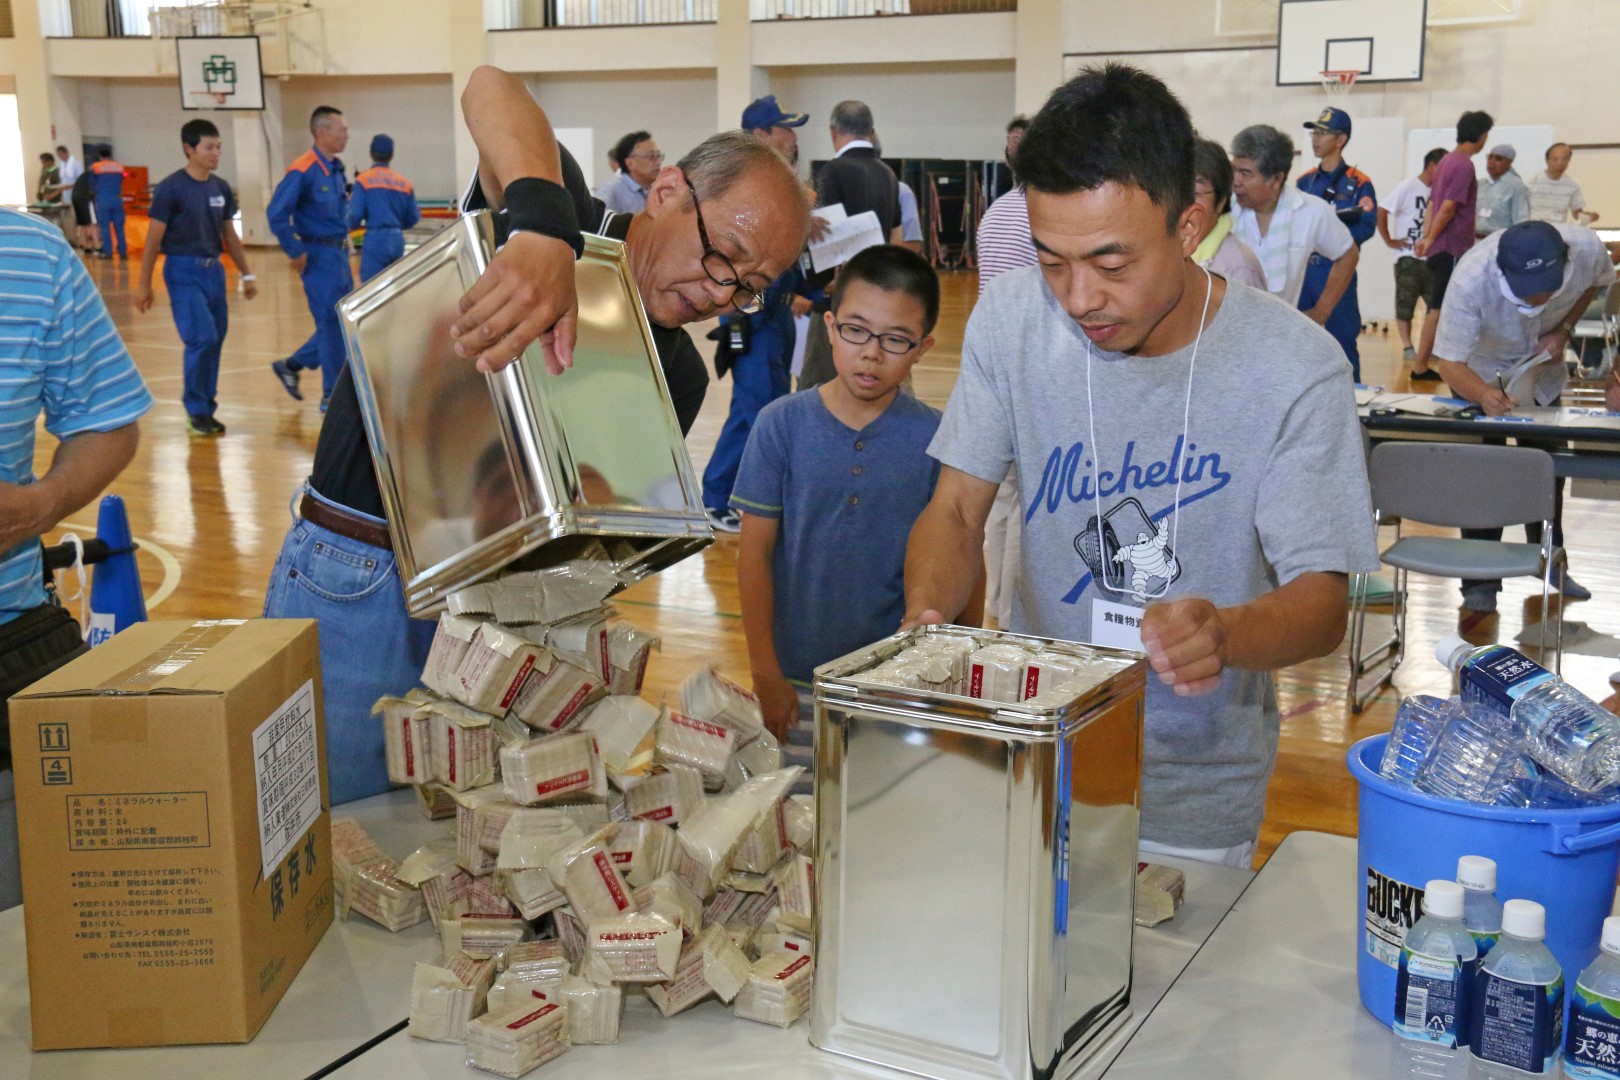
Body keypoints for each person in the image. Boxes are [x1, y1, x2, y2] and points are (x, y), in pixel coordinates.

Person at [262, 65, 810, 806]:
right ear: (670, 190)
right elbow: (489, 86)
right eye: (725, 257)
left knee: (446, 843)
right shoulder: (563, 216)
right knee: (325, 818)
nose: (722, 294)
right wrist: (544, 231)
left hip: (492, 617)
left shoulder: (677, 375)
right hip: (361, 571)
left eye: (749, 287)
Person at [903, 63, 1378, 867]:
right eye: (1053, 260)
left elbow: (1322, 603)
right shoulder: (1013, 318)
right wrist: (925, 624)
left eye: (1112, 264)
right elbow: (955, 510)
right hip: (1032, 754)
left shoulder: (1294, 365)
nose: (1080, 295)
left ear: (1190, 224)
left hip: (1191, 794)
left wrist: (1225, 631)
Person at [732, 245, 942, 773]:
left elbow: (963, 561)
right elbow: (753, 555)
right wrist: (764, 673)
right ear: (829, 326)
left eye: (896, 339)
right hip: (796, 680)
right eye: (856, 330)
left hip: (897, 688)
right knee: (796, 826)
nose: (871, 353)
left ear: (923, 347)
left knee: (884, 821)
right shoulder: (780, 424)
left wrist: (948, 677)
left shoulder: (938, 438)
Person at [0, 206, 154, 910]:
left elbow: (106, 420)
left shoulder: (31, 255)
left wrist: (46, 502)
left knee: (33, 918)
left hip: (11, 639)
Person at [1428, 220, 1612, 611]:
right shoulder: (1469, 281)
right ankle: (1480, 582)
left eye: (1544, 292)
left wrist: (1563, 329)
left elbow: (1597, 281)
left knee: (1547, 466)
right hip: (1478, 370)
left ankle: (1550, 561)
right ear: (1501, 272)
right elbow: (1448, 363)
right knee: (1483, 473)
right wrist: (1484, 395)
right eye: (1524, 295)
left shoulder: (1586, 248)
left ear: (1564, 265)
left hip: (1542, 367)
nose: (1533, 302)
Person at [701, 96, 816, 533]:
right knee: (759, 409)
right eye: (785, 128)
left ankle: (718, 494)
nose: (793, 136)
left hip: (777, 312)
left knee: (754, 408)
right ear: (761, 135)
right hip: (750, 310)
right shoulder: (742, 185)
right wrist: (736, 317)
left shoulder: (784, 186)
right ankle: (743, 499)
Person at [133, 119, 259, 437]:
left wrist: (248, 274)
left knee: (215, 340)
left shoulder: (219, 188)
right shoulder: (171, 188)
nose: (216, 153)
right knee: (201, 337)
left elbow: (230, 235)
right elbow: (152, 239)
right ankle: (195, 409)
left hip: (214, 272)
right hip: (182, 270)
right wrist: (144, 283)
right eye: (209, 147)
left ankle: (207, 407)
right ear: (189, 149)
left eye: (218, 147)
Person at [975, 159, 1042, 631]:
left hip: (989, 356)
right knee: (1023, 497)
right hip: (1029, 362)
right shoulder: (1043, 217)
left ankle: (994, 607)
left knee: (998, 496)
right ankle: (1009, 610)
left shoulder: (996, 210)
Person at [798, 100, 905, 391]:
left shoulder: (833, 171)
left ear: (834, 132)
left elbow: (826, 236)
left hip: (838, 298)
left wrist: (818, 284)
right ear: (872, 131)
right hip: (875, 294)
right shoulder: (888, 174)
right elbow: (897, 236)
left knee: (816, 386)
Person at [1229, 125, 1359, 343]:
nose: (1236, 181)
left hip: (1281, 337)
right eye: (1234, 170)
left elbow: (1348, 254)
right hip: (1227, 335)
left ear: (1276, 179)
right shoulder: (1222, 209)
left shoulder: (1312, 211)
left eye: (1245, 173)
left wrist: (1320, 313)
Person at [267, 106, 353, 411]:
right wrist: (296, 250)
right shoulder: (303, 169)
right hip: (317, 255)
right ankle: (331, 395)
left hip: (339, 254)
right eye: (341, 129)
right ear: (322, 133)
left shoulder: (336, 169)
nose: (346, 135)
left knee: (343, 323)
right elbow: (276, 213)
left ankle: (292, 365)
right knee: (331, 323)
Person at [1412, 109, 1493, 380]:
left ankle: (1423, 363)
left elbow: (1433, 204)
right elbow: (1446, 208)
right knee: (1440, 307)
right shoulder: (1464, 165)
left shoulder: (1446, 160)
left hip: (1440, 245)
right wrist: (1432, 238)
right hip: (1452, 247)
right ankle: (1421, 365)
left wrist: (1426, 238)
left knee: (1439, 306)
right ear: (1481, 136)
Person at [1296, 107, 1377, 378]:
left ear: (1340, 140)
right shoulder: (1303, 182)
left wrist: (1331, 239)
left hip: (1336, 272)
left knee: (1342, 343)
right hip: (1304, 274)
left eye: (1322, 133)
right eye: (1313, 132)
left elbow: (1366, 227)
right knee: (1299, 344)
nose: (1315, 138)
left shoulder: (1360, 183)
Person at [1378, 148, 1444, 360]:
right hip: (1407, 255)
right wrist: (1389, 239)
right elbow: (1382, 210)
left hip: (1431, 257)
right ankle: (1407, 346)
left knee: (1435, 304)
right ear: (1432, 165)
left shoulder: (1439, 191)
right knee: (1405, 302)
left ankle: (1428, 347)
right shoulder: (1407, 186)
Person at [1191, 137, 1264, 290]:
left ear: (1221, 202)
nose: (1183, 204)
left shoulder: (1238, 269)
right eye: (1177, 192)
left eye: (1196, 193)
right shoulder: (1170, 252)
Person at [349, 133, 420, 283]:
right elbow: (413, 217)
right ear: (392, 155)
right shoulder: (403, 183)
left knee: (370, 289)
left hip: (375, 240)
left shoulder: (363, 180)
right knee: (394, 289)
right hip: (397, 240)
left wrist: (344, 229)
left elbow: (355, 214)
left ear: (370, 153)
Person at [1528, 143, 1599, 225]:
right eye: (1555, 159)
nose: (1560, 163)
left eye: (1565, 159)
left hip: (1559, 231)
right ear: (1547, 160)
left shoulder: (1572, 186)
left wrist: (1589, 217)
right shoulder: (1532, 182)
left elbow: (1576, 214)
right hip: (1534, 227)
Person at [599, 131, 662, 214]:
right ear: (630, 163)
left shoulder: (658, 191)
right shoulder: (611, 191)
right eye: (652, 156)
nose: (658, 162)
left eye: (659, 156)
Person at [1477, 144, 1530, 238]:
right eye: (1489, 157)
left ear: (1509, 162)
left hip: (1499, 242)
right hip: (1475, 241)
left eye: (1498, 158)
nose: (1491, 162)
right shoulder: (1481, 184)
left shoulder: (1516, 186)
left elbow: (1521, 221)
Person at [89, 144, 128, 260]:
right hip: (117, 198)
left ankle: (108, 252)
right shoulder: (119, 166)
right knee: (119, 227)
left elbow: (91, 183)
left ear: (99, 155)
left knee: (104, 227)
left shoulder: (95, 167)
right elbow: (122, 178)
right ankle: (123, 252)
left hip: (103, 199)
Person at [66, 147, 96, 254]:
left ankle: (83, 244)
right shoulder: (93, 175)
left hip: (75, 198)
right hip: (84, 199)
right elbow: (93, 190)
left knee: (83, 223)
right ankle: (94, 246)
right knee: (91, 223)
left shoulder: (84, 175)